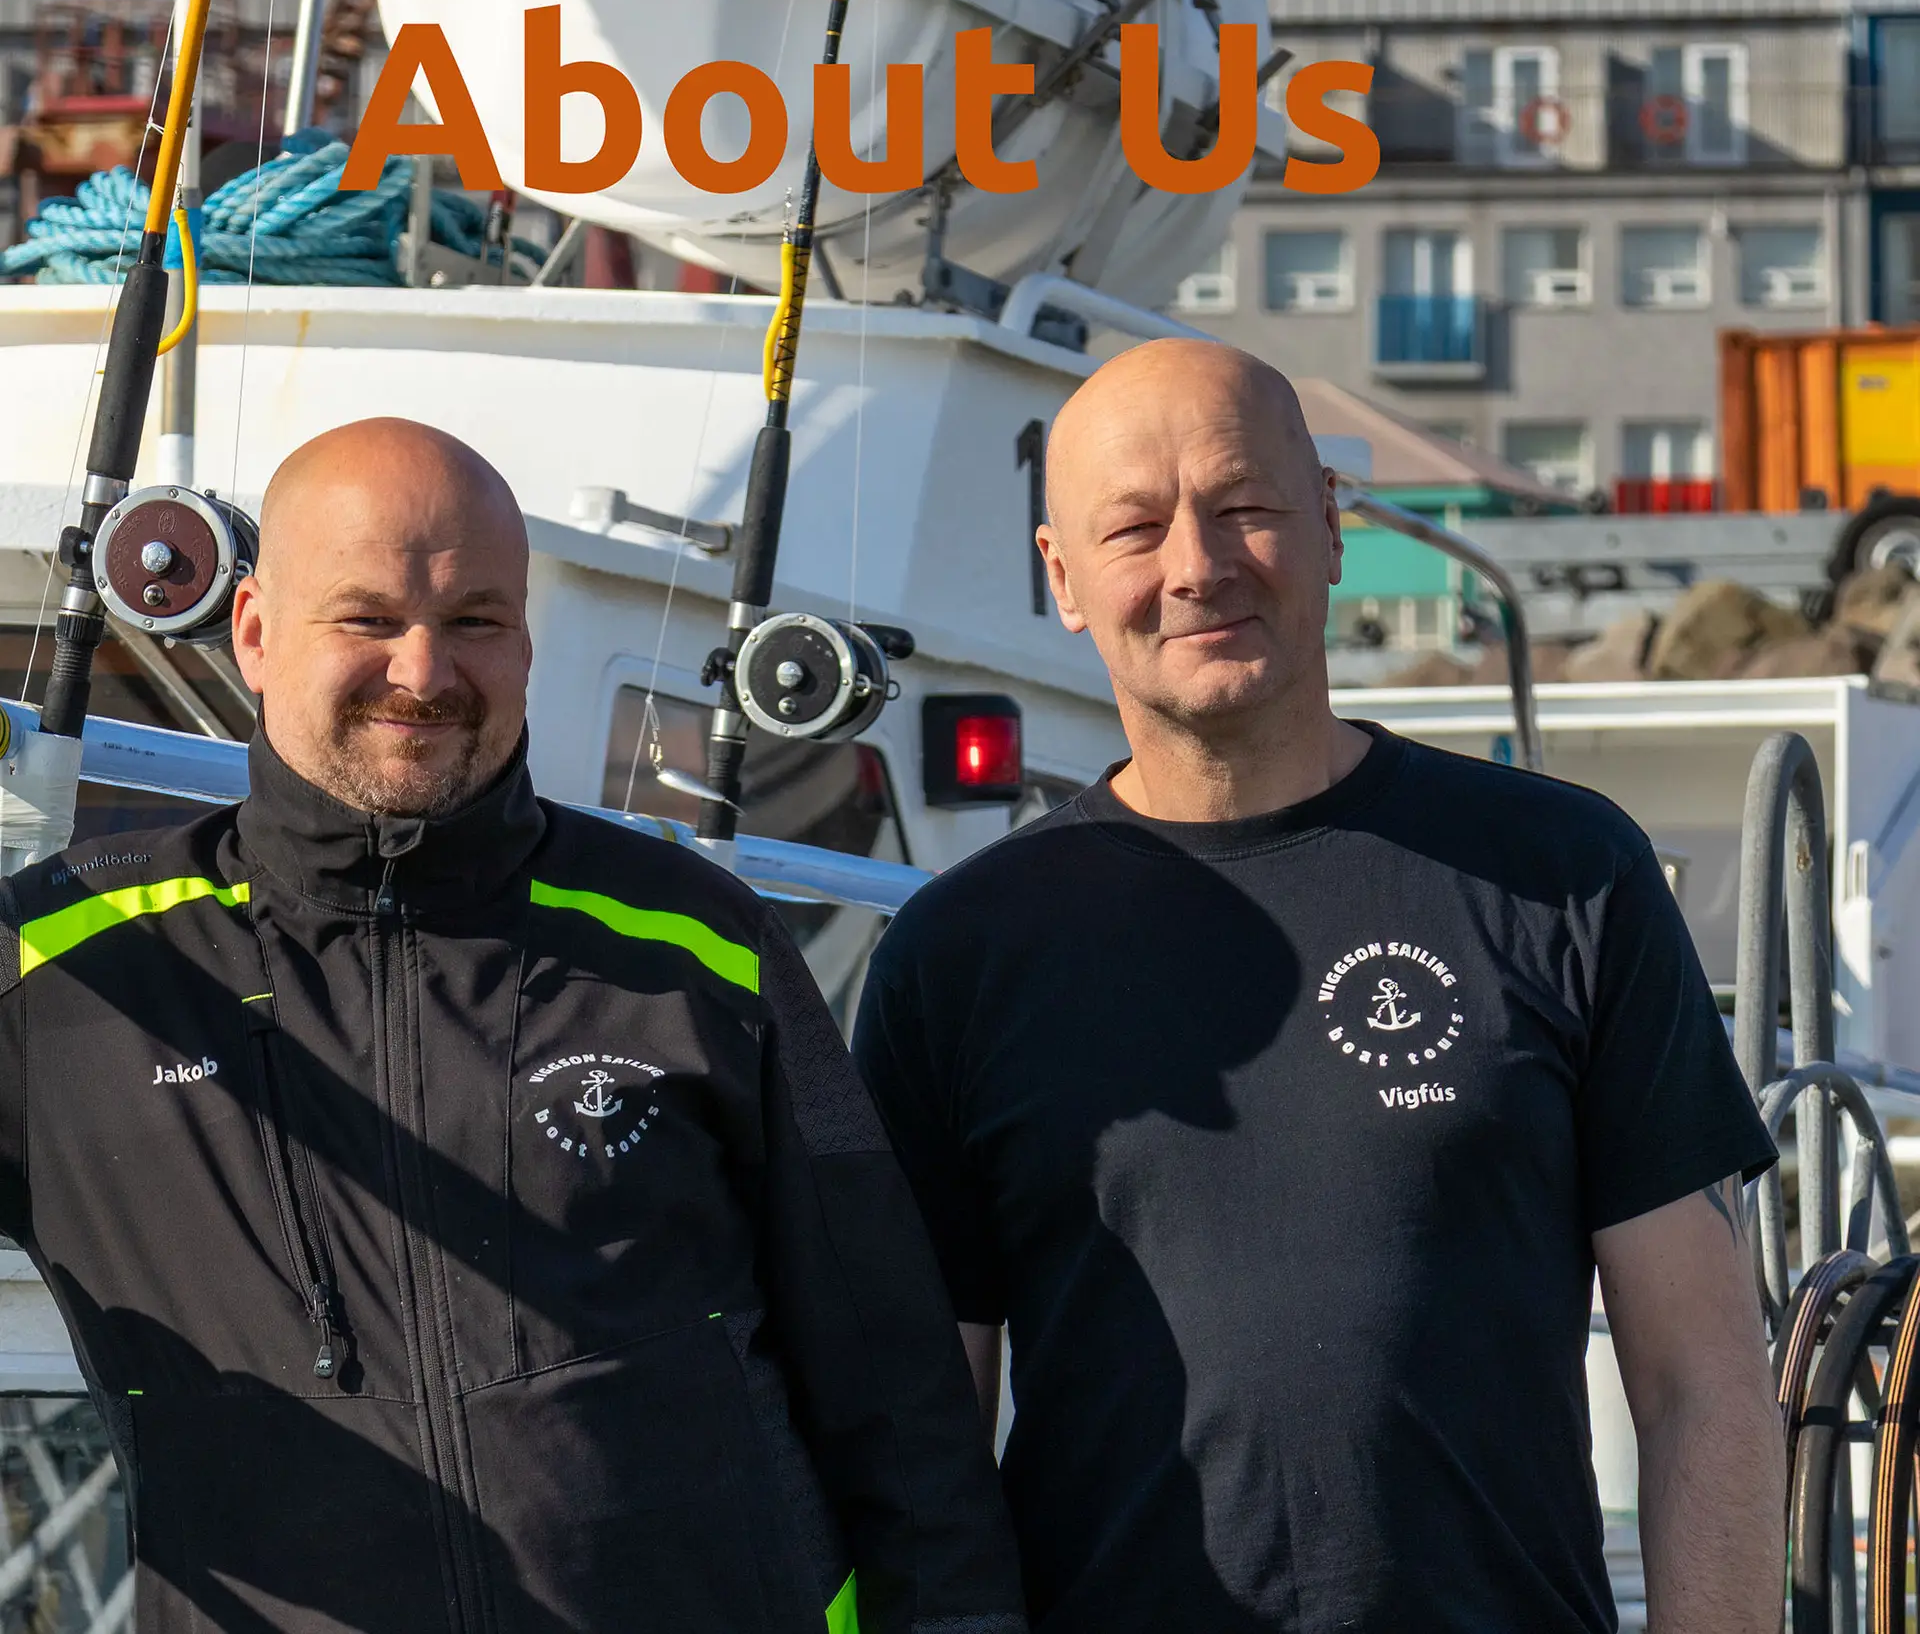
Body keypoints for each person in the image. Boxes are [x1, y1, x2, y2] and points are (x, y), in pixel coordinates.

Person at [0, 419, 1026, 1634]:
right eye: (369, 617)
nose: (425, 671)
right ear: (259, 634)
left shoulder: (693, 940)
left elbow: (895, 1392)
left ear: (527, 641)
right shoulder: (66, 967)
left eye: (476, 619)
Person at [852, 341, 1785, 1633]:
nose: (1198, 564)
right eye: (1136, 528)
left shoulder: (1563, 873)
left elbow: (1703, 1379)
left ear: (1332, 524)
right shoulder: (956, 956)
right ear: (1061, 577)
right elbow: (920, 1451)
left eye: (1244, 504)